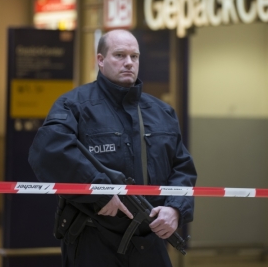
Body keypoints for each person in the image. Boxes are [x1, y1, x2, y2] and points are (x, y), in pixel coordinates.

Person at [28, 29, 197, 267]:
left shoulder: (162, 112)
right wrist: (99, 190)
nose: (128, 63)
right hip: (93, 239)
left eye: (134, 56)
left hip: (149, 241)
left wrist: (175, 209)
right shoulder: (74, 105)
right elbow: (49, 151)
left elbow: (183, 169)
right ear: (100, 60)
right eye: (119, 55)